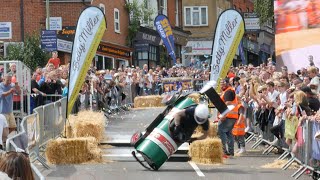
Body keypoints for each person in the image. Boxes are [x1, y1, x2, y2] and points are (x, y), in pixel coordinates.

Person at [218, 78, 238, 156]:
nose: (221, 85)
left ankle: (224, 151)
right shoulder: (228, 91)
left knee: (221, 130)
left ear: (227, 83)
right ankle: (230, 151)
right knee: (229, 133)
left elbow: (228, 103)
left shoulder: (228, 91)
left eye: (223, 83)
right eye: (220, 83)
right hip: (232, 116)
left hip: (228, 116)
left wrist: (223, 115)